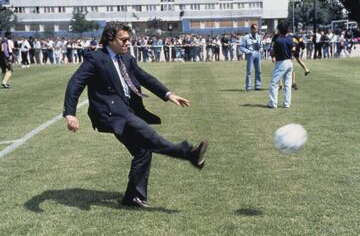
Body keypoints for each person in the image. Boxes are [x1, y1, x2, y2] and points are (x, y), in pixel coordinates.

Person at [63, 22, 208, 208]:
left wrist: (168, 94)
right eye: (123, 40)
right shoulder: (96, 58)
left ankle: (133, 197)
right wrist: (70, 114)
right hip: (110, 113)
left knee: (143, 150)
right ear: (110, 39)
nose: (127, 43)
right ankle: (189, 154)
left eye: (128, 40)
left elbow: (145, 77)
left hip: (126, 111)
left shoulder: (127, 59)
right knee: (149, 136)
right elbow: (75, 84)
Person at [268, 22, 295, 109]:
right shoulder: (290, 39)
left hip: (281, 62)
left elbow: (272, 52)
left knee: (274, 83)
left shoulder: (277, 40)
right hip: (289, 62)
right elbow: (293, 49)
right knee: (287, 84)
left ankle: (273, 103)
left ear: (279, 30)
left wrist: (272, 54)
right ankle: (287, 104)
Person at [240, 24, 263, 91]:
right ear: (252, 29)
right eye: (255, 29)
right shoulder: (246, 37)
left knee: (258, 71)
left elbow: (261, 45)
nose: (257, 30)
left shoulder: (259, 37)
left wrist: (261, 49)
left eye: (257, 29)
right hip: (250, 54)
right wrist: (248, 51)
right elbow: (241, 47)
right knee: (249, 71)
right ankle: (248, 87)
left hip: (258, 54)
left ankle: (258, 86)